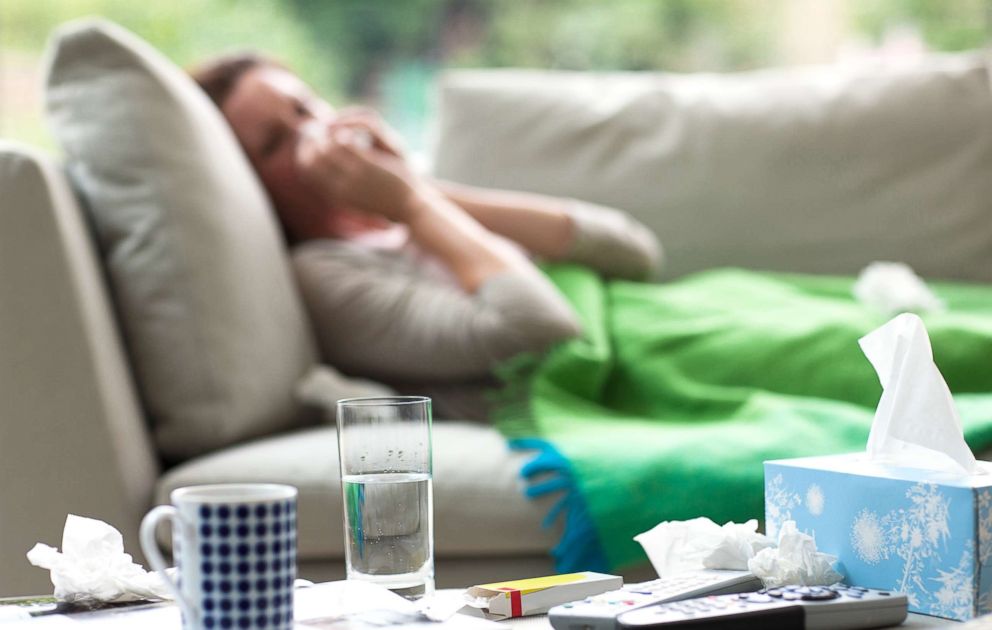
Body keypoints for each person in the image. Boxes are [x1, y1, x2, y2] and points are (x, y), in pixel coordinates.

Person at [191, 53, 661, 420]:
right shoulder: (324, 274)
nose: (312, 132)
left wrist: (418, 192)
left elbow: (634, 251)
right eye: (275, 142)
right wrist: (411, 204)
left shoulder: (417, 211)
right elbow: (542, 331)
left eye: (304, 107)